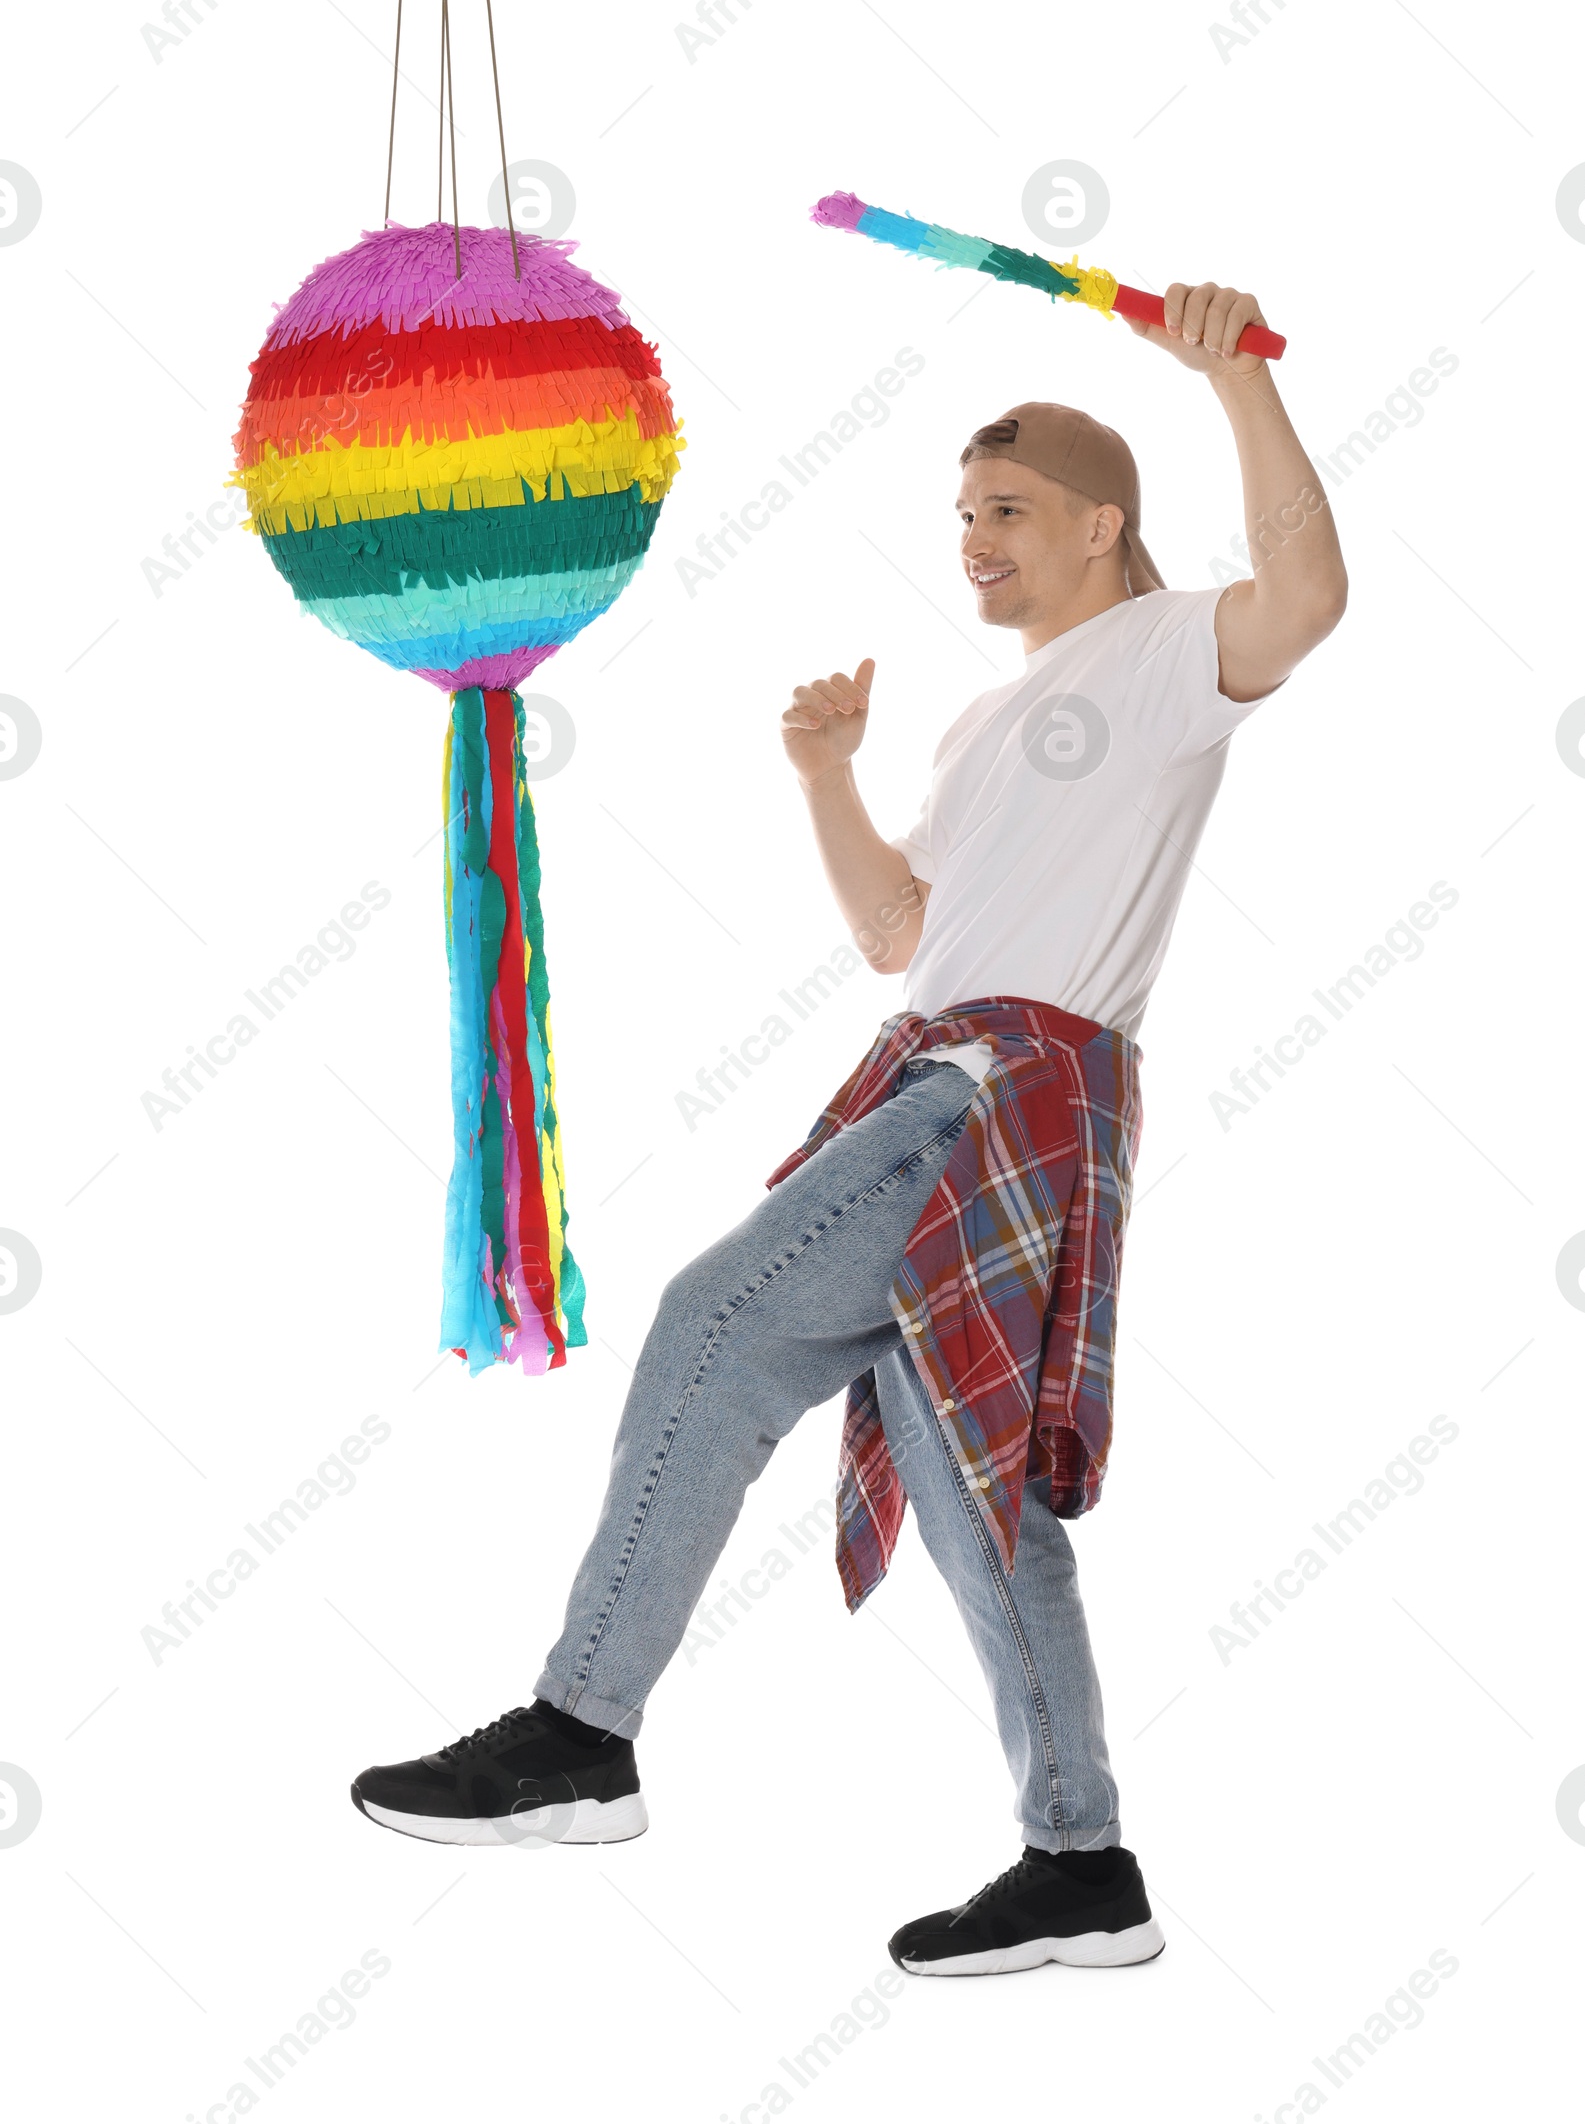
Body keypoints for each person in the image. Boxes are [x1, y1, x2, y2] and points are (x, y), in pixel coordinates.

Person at [352, 279, 1346, 1977]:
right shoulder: (983, 718)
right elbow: (903, 935)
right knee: (980, 1499)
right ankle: (1081, 1863)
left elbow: (1307, 595)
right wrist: (828, 776)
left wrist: (1236, 381)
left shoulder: (1174, 653)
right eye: (963, 513)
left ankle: (580, 1731)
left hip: (1002, 1088)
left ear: (1105, 524)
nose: (975, 539)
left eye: (1010, 510)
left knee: (714, 1321)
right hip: (937, 1056)